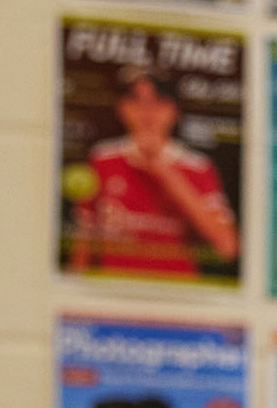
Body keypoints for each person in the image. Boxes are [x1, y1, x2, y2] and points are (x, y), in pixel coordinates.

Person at [70, 65, 239, 280]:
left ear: (173, 111)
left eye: (157, 101)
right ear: (122, 108)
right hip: (114, 290)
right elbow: (85, 239)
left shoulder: (197, 166)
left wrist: (162, 169)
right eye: (136, 100)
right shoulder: (102, 158)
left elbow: (227, 246)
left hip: (175, 293)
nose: (147, 111)